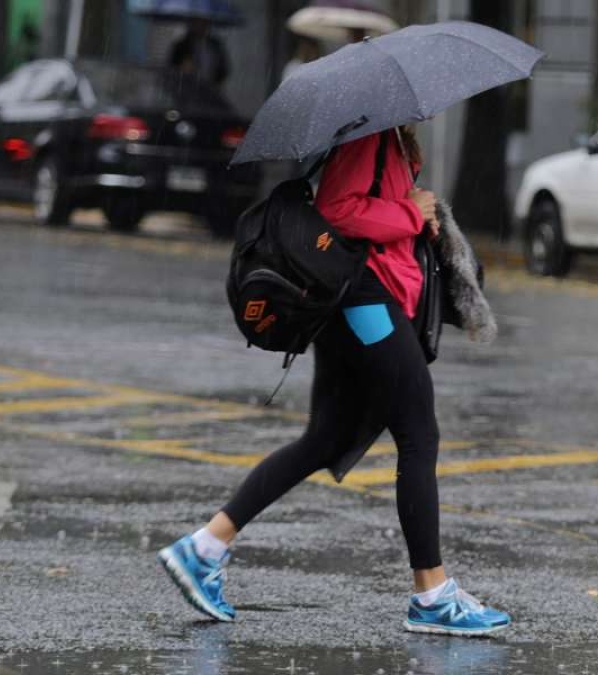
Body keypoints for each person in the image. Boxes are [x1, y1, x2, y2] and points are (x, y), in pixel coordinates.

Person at [158, 126, 511, 636]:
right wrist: (412, 212)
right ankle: (432, 594)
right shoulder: (366, 137)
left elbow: (375, 212)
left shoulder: (389, 138)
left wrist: (416, 214)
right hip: (364, 301)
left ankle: (204, 547)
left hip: (368, 299)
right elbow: (339, 211)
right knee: (418, 434)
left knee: (324, 438)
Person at [168, 18, 229, 87]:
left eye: (204, 23)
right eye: (197, 23)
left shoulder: (215, 45)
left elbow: (223, 68)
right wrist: (182, 69)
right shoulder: (181, 45)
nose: (200, 27)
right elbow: (171, 67)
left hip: (209, 88)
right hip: (185, 88)